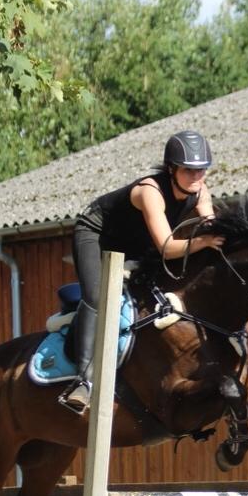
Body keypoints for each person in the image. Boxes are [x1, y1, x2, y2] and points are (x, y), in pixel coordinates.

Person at [60, 129, 224, 413]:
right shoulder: (151, 192)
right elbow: (166, 246)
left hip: (136, 242)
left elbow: (212, 226)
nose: (197, 177)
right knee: (99, 297)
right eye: (189, 170)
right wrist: (203, 241)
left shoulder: (200, 191)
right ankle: (83, 382)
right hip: (97, 236)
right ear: (171, 168)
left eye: (202, 170)